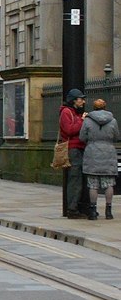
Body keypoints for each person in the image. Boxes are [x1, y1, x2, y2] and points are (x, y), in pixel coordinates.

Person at [79, 98, 119, 220]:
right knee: (109, 184)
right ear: (105, 107)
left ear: (94, 107)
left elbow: (82, 137)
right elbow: (116, 136)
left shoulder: (87, 121)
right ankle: (108, 210)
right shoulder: (113, 121)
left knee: (93, 185)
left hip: (92, 153)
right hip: (108, 153)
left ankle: (93, 210)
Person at [59, 88, 88, 219]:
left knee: (77, 178)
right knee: (75, 179)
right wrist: (82, 121)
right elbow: (69, 130)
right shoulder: (66, 112)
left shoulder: (73, 112)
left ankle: (74, 206)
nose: (83, 101)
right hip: (73, 148)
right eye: (80, 99)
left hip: (79, 148)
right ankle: (72, 208)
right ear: (74, 100)